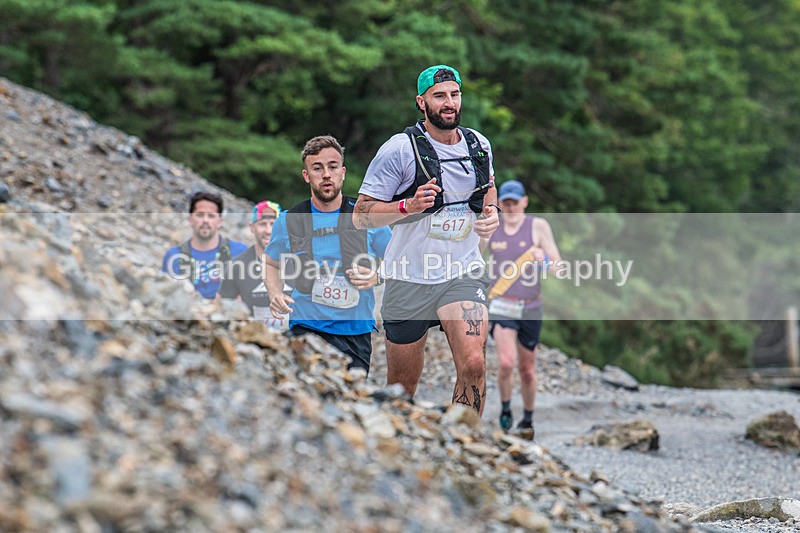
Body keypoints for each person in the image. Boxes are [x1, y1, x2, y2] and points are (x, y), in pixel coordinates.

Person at [353, 64, 501, 414]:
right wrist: (408, 205)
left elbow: (489, 188)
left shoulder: (479, 144)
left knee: (474, 364)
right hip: (408, 276)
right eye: (439, 97)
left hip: (462, 272)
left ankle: (465, 446)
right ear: (421, 102)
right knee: (401, 389)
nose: (449, 103)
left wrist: (491, 215)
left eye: (454, 94)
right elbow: (361, 215)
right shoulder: (399, 150)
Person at [265, 135, 391, 374]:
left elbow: (400, 261)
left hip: (355, 332)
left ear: (342, 172)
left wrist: (377, 276)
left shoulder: (368, 217)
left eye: (332, 167)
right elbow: (272, 263)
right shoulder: (288, 220)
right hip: (305, 328)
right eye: (317, 168)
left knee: (350, 402)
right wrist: (275, 293)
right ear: (306, 175)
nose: (326, 174)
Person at [484, 179, 561, 436]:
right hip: (501, 305)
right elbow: (472, 257)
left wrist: (545, 259)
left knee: (527, 369)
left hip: (530, 307)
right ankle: (506, 409)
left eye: (515, 202)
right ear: (500, 204)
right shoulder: (493, 227)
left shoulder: (538, 227)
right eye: (506, 203)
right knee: (506, 363)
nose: (511, 207)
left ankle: (528, 418)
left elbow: (559, 268)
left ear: (525, 202)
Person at [162, 191, 247, 299]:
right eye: (200, 215)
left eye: (211, 216)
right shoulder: (173, 256)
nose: (205, 220)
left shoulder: (240, 252)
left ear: (220, 221)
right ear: (190, 219)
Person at [218, 200, 287, 328]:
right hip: (255, 339)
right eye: (262, 224)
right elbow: (223, 308)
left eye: (273, 224)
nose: (268, 230)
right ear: (252, 227)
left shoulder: (299, 260)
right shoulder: (237, 266)